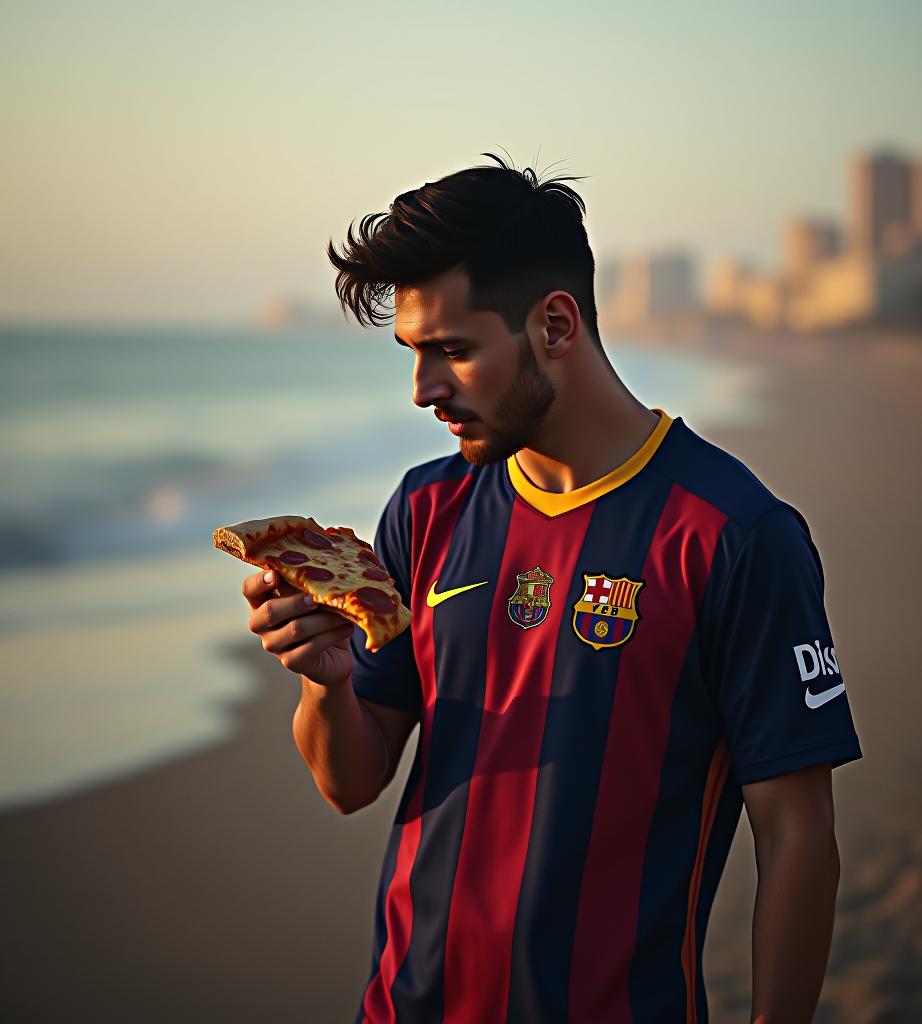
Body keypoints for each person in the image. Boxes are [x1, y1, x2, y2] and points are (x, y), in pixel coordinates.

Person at [240, 154, 862, 1024]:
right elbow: (350, 779)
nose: (423, 390)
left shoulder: (734, 535)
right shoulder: (425, 509)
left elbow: (797, 835)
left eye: (454, 352)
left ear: (556, 326)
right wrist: (326, 678)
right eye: (413, 354)